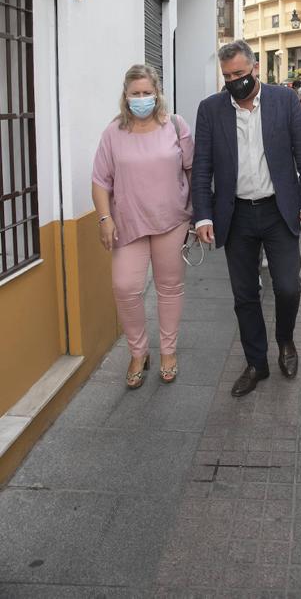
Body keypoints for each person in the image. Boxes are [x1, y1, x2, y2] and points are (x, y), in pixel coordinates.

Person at [192, 40, 301, 397]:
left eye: (240, 74)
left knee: (287, 285)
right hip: (235, 215)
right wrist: (202, 215)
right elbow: (202, 167)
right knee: (244, 294)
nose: (235, 81)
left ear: (255, 68)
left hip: (278, 210)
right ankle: (256, 363)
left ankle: (286, 341)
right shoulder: (211, 109)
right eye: (228, 76)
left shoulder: (283, 101)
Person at [92, 64, 193, 389]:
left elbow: (193, 170)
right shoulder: (113, 133)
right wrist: (105, 219)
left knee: (169, 287)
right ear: (125, 96)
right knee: (125, 288)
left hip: (172, 221)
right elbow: (99, 180)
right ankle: (138, 352)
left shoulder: (175, 126)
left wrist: (197, 215)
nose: (141, 99)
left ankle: (167, 351)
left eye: (146, 93)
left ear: (157, 93)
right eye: (135, 93)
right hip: (127, 223)